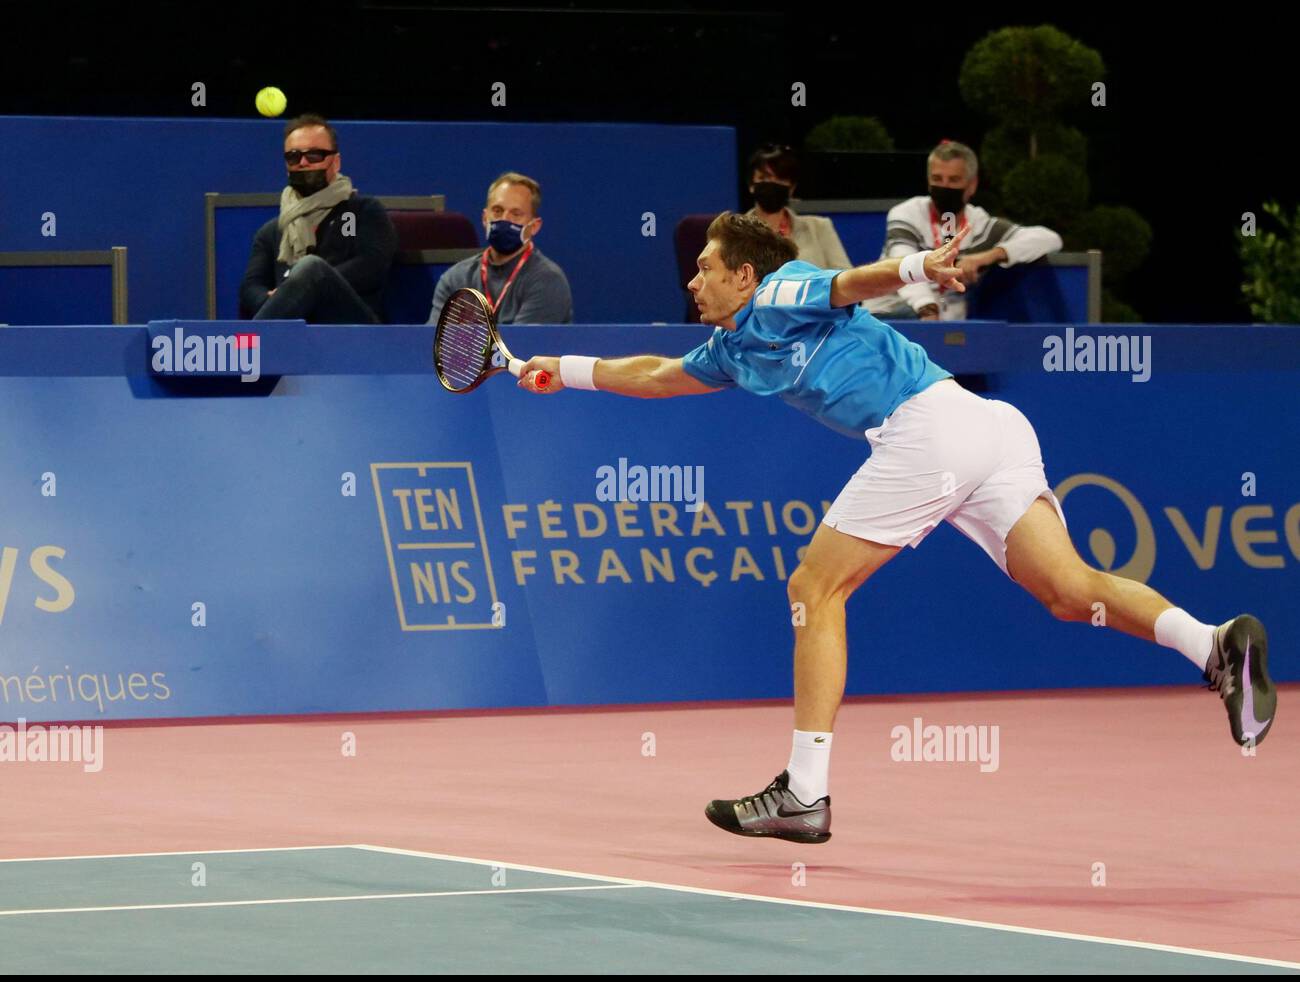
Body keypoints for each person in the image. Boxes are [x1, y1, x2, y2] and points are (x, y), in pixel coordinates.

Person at [513, 212, 1277, 844]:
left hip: (929, 430)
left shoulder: (781, 289)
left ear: (744, 275)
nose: (694, 279)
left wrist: (917, 272)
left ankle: (804, 793)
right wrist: (561, 367)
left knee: (816, 584)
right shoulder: (733, 350)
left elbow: (852, 282)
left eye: (707, 267)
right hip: (988, 430)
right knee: (1072, 593)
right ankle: (1212, 642)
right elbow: (654, 374)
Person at [865, 139, 1061, 321]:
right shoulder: (906, 214)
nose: (944, 186)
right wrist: (928, 308)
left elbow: (1049, 238)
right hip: (892, 313)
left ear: (971, 185)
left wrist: (988, 256)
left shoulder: (981, 224)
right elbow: (905, 264)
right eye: (937, 179)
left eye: (953, 180)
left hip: (947, 322)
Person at [240, 114, 397, 323]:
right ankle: (254, 346)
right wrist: (283, 296)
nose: (303, 163)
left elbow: (371, 267)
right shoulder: (272, 231)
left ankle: (245, 350)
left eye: (314, 155)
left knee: (311, 267)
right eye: (293, 157)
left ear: (336, 162)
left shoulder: (363, 211)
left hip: (354, 328)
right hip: (293, 330)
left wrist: (304, 285)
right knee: (308, 271)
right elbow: (251, 287)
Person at [427, 172, 573, 325]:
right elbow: (434, 342)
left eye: (516, 214)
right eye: (497, 211)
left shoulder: (547, 280)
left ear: (534, 226)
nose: (505, 219)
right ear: (485, 218)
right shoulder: (456, 279)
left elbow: (523, 346)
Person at [746, 143, 851, 271]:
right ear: (751, 184)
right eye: (764, 177)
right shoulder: (732, 235)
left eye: (779, 179)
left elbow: (845, 277)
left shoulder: (819, 228)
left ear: (791, 188)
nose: (771, 184)